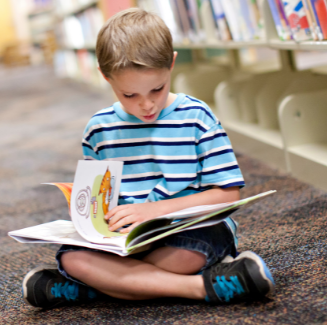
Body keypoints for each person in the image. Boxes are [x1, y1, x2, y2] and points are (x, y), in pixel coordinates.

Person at [21, 8, 274, 308]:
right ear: (105, 77)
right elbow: (101, 201)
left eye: (157, 89)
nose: (146, 105)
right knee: (75, 259)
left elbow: (228, 193)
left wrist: (153, 210)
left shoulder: (196, 117)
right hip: (128, 240)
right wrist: (96, 220)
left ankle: (98, 288)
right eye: (129, 95)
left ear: (171, 64)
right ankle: (202, 286)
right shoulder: (99, 129)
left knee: (185, 257)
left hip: (190, 228)